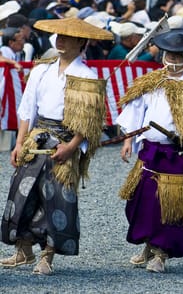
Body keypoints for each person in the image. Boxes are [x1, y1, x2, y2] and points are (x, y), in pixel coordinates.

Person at [0, 17, 113, 275]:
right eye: (58, 36)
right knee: (23, 193)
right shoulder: (42, 69)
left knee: (58, 199)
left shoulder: (87, 76)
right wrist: (19, 143)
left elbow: (90, 121)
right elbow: (27, 108)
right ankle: (23, 250)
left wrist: (72, 147)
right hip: (37, 138)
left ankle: (47, 256)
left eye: (67, 37)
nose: (60, 40)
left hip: (64, 142)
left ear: (81, 42)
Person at [117, 28, 183, 273]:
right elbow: (135, 112)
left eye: (177, 55)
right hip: (149, 152)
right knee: (140, 202)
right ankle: (149, 245)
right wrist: (128, 140)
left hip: (177, 156)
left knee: (170, 208)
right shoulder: (152, 81)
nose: (172, 60)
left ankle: (161, 252)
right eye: (169, 54)